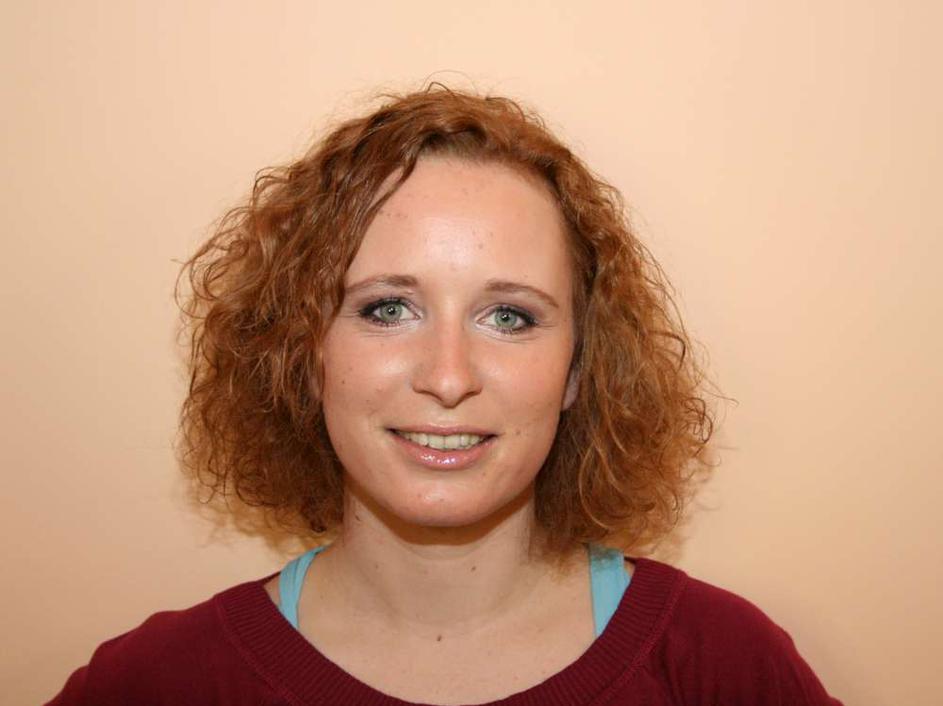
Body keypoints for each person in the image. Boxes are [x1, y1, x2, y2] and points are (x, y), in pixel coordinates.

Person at [48, 84, 843, 705]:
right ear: (304, 352)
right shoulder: (159, 684)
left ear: (578, 369)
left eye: (510, 316)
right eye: (387, 309)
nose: (448, 376)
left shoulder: (721, 667)